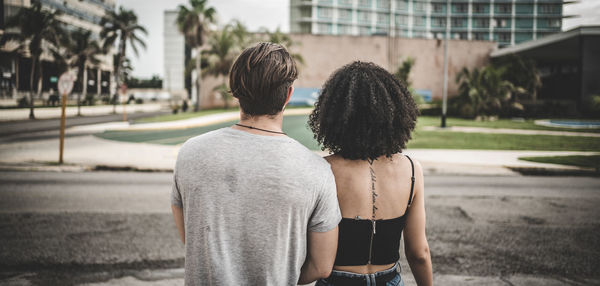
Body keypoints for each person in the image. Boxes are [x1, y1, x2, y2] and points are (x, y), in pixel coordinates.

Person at [170, 42, 341, 286]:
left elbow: (193, 239)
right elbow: (322, 266)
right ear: (289, 95)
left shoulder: (190, 153)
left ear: (235, 91)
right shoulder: (317, 171)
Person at [308, 61, 433, 286]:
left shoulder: (322, 169)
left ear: (336, 114)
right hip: (390, 280)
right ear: (394, 113)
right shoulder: (412, 170)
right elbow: (419, 253)